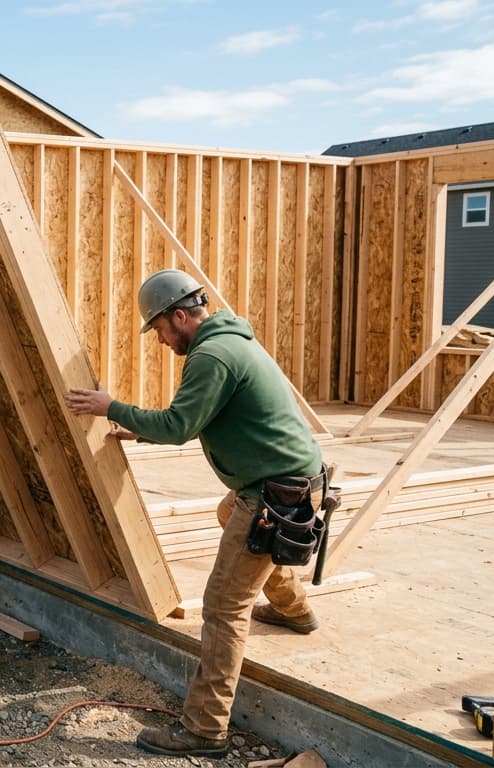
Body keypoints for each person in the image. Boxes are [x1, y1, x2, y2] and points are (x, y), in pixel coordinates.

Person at [65, 268, 324, 758]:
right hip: (291, 483)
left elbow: (180, 425)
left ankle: (205, 730)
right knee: (232, 515)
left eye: (160, 328)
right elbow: (201, 415)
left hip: (273, 495)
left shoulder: (211, 355)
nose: (160, 339)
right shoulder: (229, 342)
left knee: (224, 608)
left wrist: (111, 407)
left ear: (180, 316)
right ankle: (296, 611)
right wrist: (145, 429)